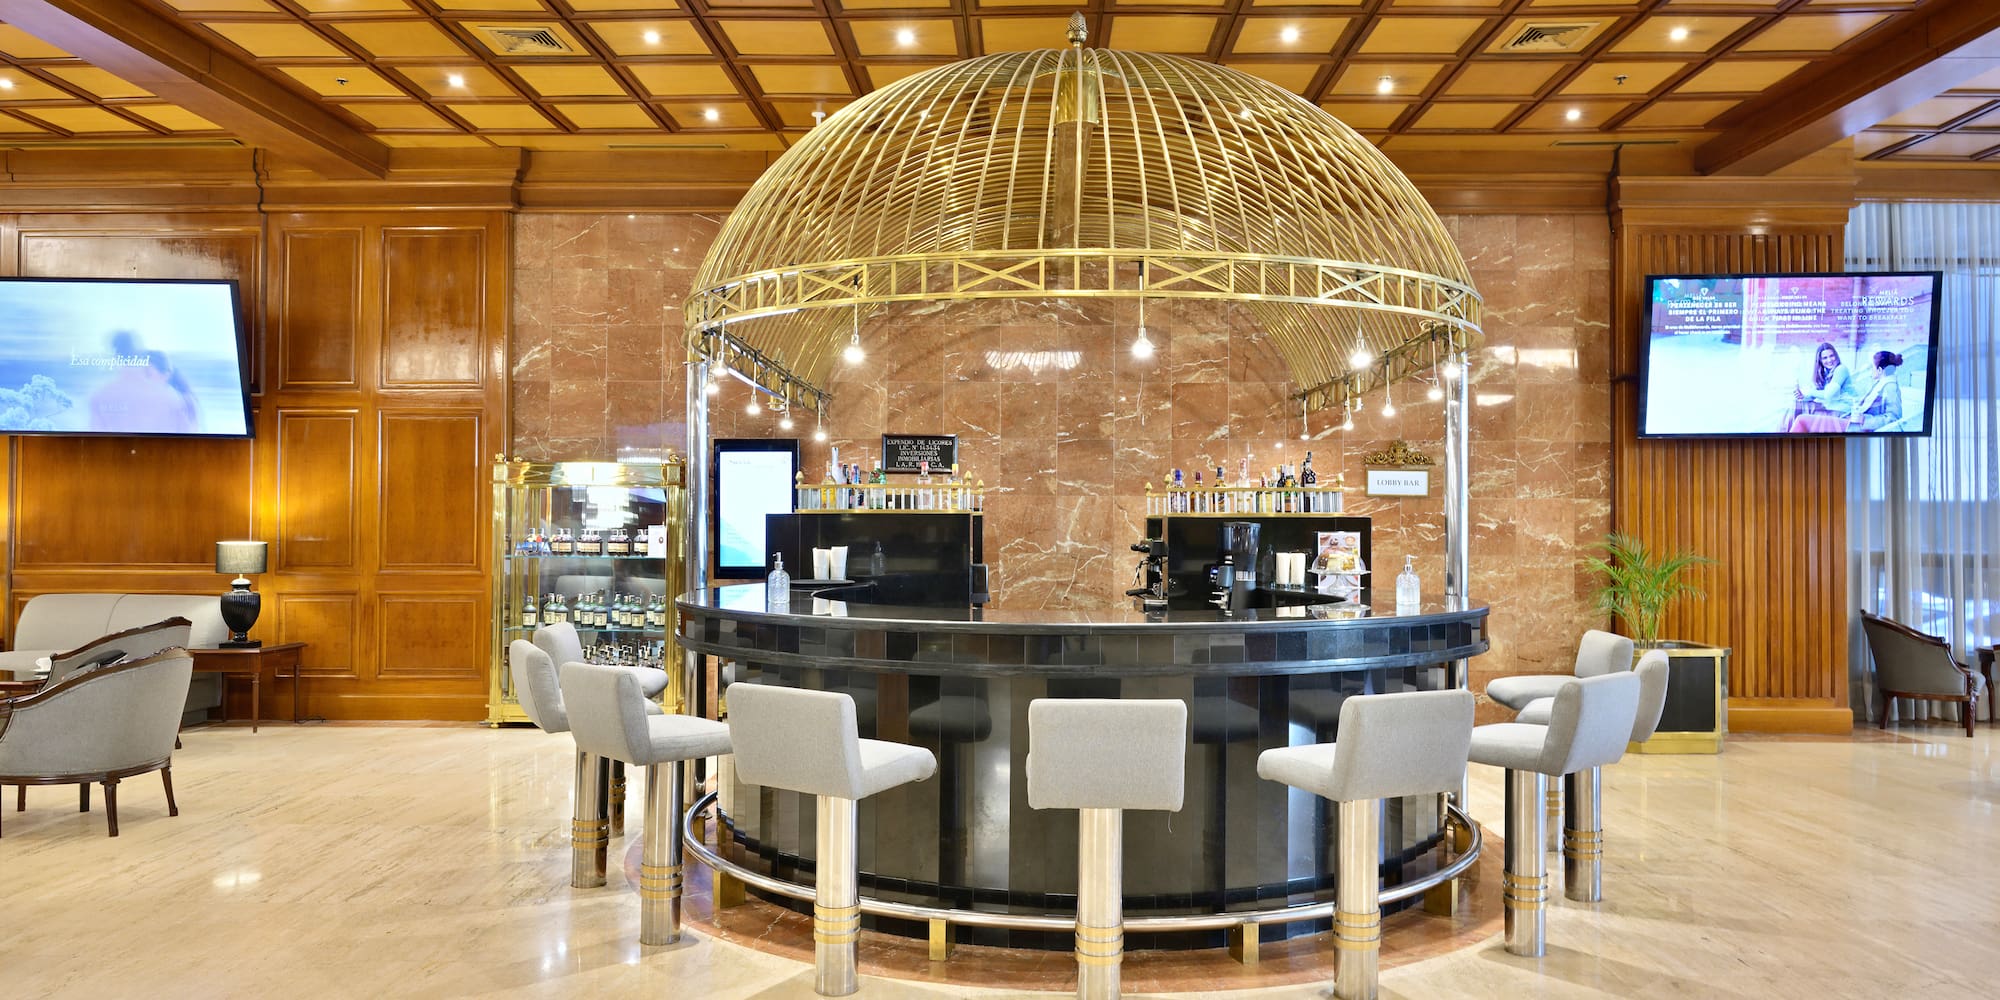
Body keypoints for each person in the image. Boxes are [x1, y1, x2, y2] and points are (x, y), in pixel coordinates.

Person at [1788, 350, 1904, 434]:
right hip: (1851, 420)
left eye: (1871, 368)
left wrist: (1865, 420)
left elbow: (1894, 417)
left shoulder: (1890, 387)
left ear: (1879, 370)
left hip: (1856, 426)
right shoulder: (1880, 383)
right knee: (1799, 413)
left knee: (1801, 420)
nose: (1870, 371)